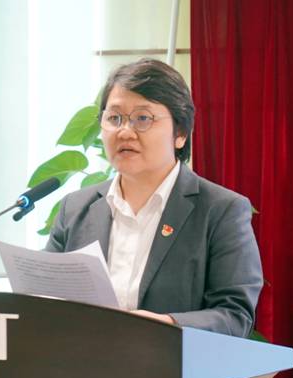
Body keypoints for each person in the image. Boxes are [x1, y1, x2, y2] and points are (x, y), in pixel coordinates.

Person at [45, 58, 263, 338]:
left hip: (171, 363)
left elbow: (235, 315)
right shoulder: (75, 209)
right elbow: (44, 299)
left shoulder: (220, 211)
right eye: (114, 118)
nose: (125, 131)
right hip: (83, 361)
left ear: (180, 133)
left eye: (143, 118)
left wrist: (166, 325)